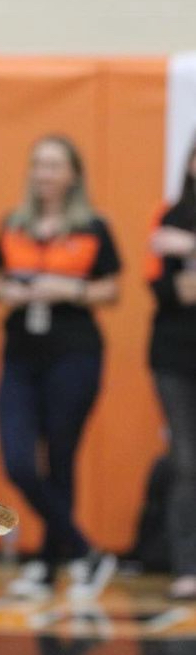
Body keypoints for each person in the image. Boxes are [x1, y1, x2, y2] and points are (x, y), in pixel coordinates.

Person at [0, 135, 120, 601]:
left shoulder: (92, 227)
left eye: (54, 165)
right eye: (38, 164)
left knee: (61, 458)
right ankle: (85, 551)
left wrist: (68, 290)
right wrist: (10, 292)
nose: (45, 174)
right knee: (19, 461)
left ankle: (49, 566)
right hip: (22, 352)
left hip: (74, 352)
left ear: (72, 174)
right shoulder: (15, 223)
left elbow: (111, 289)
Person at [146, 135, 196, 601]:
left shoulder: (182, 232)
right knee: (186, 461)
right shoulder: (170, 214)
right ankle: (187, 563)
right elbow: (171, 292)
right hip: (176, 355)